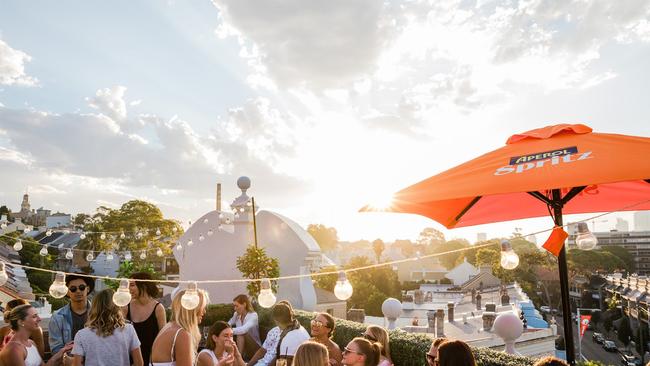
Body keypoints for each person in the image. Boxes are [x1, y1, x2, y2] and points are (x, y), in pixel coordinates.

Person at [71, 288, 143, 366]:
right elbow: (139, 363)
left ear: (94, 307)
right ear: (117, 306)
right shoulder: (128, 330)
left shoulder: (81, 335)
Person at [150, 288, 209, 366]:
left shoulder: (169, 327)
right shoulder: (181, 334)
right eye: (202, 307)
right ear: (192, 309)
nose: (204, 311)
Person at [0, 304, 72, 366]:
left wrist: (63, 350)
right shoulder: (14, 349)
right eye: (34, 316)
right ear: (21, 322)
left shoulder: (31, 343)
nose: (39, 319)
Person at [123, 272, 166, 365]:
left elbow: (163, 339)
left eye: (132, 285)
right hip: (130, 360)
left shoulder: (158, 308)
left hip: (151, 359)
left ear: (144, 286)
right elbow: (120, 334)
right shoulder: (126, 307)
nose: (129, 289)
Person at [48, 273, 94, 357]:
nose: (78, 291)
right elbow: (55, 349)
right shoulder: (57, 317)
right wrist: (68, 359)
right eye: (73, 289)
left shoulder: (98, 313)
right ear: (68, 292)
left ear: (87, 289)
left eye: (82, 287)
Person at [246, 301, 294, 366]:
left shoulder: (293, 334)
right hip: (261, 363)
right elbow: (262, 350)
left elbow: (280, 358)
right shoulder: (273, 331)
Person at [228, 294, 261, 361]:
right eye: (234, 306)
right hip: (244, 348)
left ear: (244, 304)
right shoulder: (236, 315)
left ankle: (238, 359)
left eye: (237, 306)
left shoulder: (253, 315)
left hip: (255, 348)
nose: (235, 308)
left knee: (241, 333)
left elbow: (243, 330)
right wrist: (222, 329)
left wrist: (227, 330)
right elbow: (229, 324)